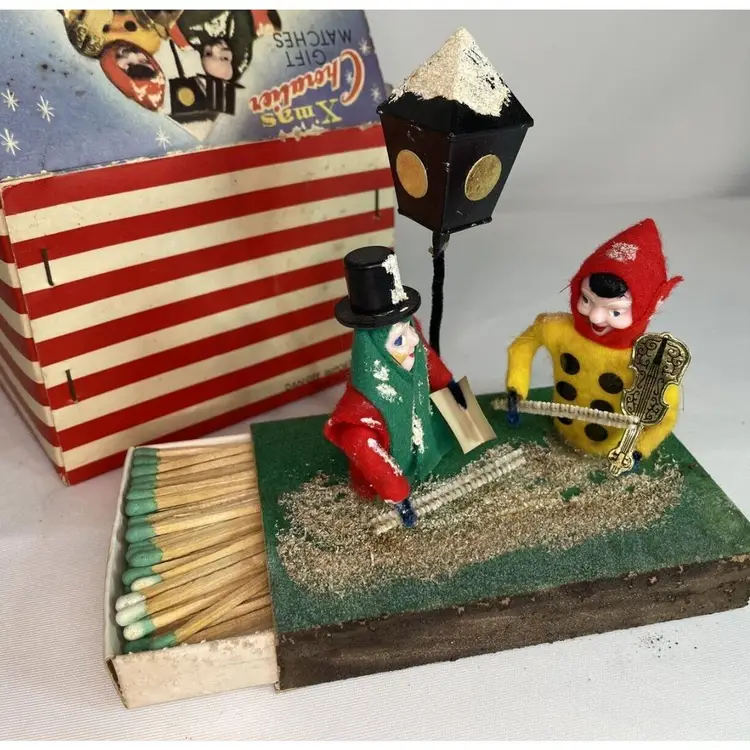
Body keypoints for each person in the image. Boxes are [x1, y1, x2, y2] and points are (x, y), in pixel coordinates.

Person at [505, 218, 684, 460]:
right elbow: (523, 345)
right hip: (561, 429)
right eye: (586, 300)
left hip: (609, 448)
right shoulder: (557, 329)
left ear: (646, 309)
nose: (596, 317)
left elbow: (666, 416)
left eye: (616, 311)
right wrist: (516, 387)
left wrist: (638, 449)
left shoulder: (649, 363)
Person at [324, 246, 467, 528]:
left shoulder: (413, 351)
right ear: (375, 355)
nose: (413, 341)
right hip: (394, 465)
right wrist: (398, 494)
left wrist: (448, 383)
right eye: (399, 340)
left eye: (410, 329)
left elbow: (428, 360)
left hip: (424, 437)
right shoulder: (363, 410)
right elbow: (365, 449)